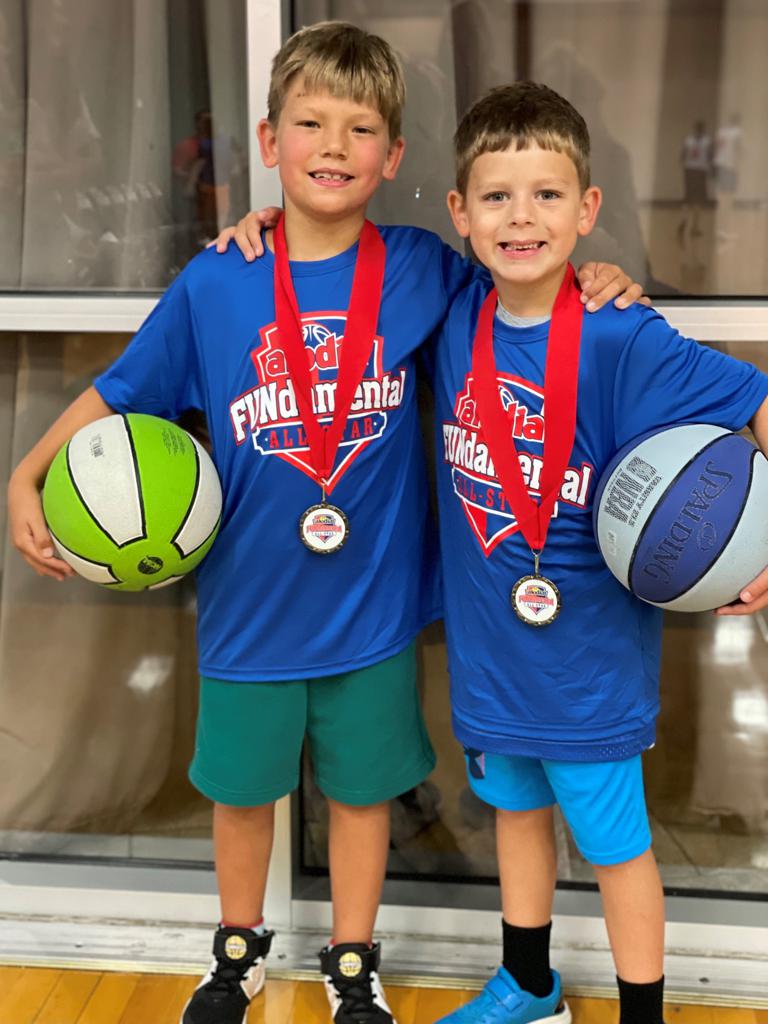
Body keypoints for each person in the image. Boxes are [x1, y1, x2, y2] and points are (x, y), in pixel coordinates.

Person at [9, 25, 641, 1024]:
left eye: (360, 129)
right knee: (240, 794)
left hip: (371, 612)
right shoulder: (220, 278)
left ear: (393, 157)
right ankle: (236, 953)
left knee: (361, 795)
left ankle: (354, 960)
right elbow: (126, 387)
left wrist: (597, 280)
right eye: (309, 124)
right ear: (270, 141)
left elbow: (524, 279)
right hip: (248, 609)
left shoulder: (423, 268)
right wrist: (29, 470)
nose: (334, 145)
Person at [428, 82, 768, 1024]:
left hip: (589, 668)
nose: (520, 217)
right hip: (493, 653)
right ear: (460, 211)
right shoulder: (455, 312)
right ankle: (529, 984)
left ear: (587, 210)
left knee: (618, 848)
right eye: (497, 196)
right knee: (516, 816)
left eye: (546, 195)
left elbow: (756, 400)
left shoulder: (622, 334)